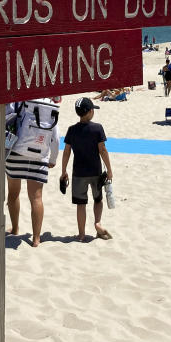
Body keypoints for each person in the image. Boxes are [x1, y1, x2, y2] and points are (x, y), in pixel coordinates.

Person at [5, 98, 60, 247]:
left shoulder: (16, 96)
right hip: (40, 153)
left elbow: (8, 116)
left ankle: (15, 228)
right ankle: (36, 239)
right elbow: (55, 135)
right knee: (36, 197)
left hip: (16, 150)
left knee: (13, 193)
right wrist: (53, 158)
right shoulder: (50, 102)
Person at [60, 97, 113, 241]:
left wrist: (63, 170)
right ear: (90, 112)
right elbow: (102, 150)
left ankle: (81, 234)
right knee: (98, 200)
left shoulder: (72, 130)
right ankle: (97, 223)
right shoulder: (97, 128)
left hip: (78, 174)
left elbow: (66, 152)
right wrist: (109, 169)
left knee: (81, 204)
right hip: (95, 172)